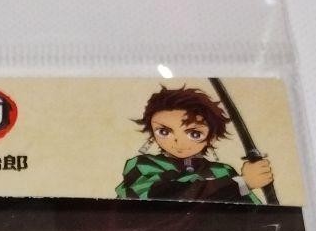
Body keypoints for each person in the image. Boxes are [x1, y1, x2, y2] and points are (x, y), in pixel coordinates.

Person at [116, 84, 273, 203]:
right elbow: (162, 197)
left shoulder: (222, 172)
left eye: (194, 134)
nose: (178, 141)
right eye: (164, 132)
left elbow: (252, 214)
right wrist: (241, 183)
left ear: (211, 137)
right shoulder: (142, 165)